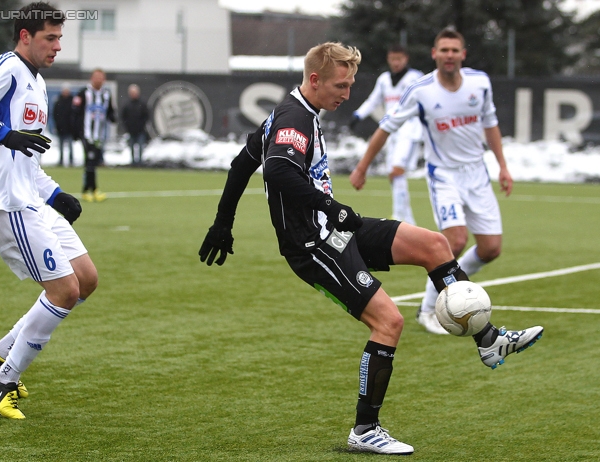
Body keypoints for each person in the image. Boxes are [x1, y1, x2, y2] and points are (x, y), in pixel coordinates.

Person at [199, 42, 543, 455]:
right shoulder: (294, 118)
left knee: (434, 244)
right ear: (314, 80)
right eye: (340, 86)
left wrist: (223, 222)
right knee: (390, 322)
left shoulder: (292, 111)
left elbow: (242, 163)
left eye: (351, 84)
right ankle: (365, 430)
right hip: (311, 245)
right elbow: (276, 168)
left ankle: (488, 340)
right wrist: (330, 207)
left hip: (335, 230)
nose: (346, 94)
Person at [0, 1, 99, 420]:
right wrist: (3, 134)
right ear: (25, 36)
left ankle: (1, 350)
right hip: (6, 203)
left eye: (60, 38)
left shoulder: (37, 84)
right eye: (49, 38)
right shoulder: (6, 67)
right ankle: (4, 377)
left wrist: (57, 195)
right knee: (65, 291)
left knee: (86, 280)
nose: (57, 46)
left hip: (32, 197)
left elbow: (27, 156)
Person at [350, 28, 514, 336]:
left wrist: (503, 166)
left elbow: (490, 125)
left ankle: (456, 287)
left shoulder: (479, 83)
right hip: (444, 175)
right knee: (454, 241)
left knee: (491, 248)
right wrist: (362, 167)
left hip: (477, 173)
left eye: (455, 50)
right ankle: (430, 309)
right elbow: (385, 127)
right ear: (434, 54)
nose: (449, 55)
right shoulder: (421, 89)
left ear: (463, 54)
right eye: (444, 50)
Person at [349, 45, 423, 224]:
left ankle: (398, 217)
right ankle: (409, 221)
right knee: (394, 174)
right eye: (392, 59)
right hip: (391, 131)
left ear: (406, 59)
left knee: (396, 171)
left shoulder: (415, 78)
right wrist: (358, 114)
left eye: (399, 59)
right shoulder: (384, 80)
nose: (396, 63)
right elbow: (373, 100)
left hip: (409, 129)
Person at [72, 68, 116, 202]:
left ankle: (91, 189)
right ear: (92, 78)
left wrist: (113, 117)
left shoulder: (106, 94)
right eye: (96, 77)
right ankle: (89, 190)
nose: (98, 80)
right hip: (87, 134)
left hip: (99, 135)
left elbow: (110, 112)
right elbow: (75, 112)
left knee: (94, 162)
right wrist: (76, 132)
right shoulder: (84, 93)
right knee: (90, 161)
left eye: (101, 77)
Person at [121, 84, 149, 166]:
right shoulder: (127, 105)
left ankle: (140, 162)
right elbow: (124, 117)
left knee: (140, 146)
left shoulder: (142, 104)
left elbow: (146, 116)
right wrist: (128, 127)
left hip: (140, 130)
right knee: (131, 147)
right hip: (131, 130)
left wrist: (141, 125)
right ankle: (133, 162)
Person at [52, 83, 74, 167]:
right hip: (61, 127)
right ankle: (61, 160)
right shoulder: (58, 101)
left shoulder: (72, 101)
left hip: (69, 128)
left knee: (70, 145)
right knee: (60, 146)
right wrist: (57, 124)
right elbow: (55, 114)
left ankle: (71, 160)